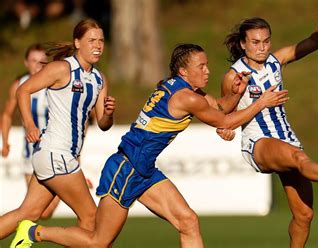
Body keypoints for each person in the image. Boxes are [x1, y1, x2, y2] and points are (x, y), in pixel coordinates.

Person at [10, 43, 288, 248]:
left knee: (188, 221)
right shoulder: (185, 98)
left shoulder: (187, 91)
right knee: (98, 242)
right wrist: (260, 102)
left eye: (206, 65)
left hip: (144, 170)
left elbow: (220, 107)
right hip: (126, 169)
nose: (208, 70)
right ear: (183, 71)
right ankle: (34, 232)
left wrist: (234, 93)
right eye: (201, 67)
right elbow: (224, 121)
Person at [219, 4, 318, 247]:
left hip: (286, 137)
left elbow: (314, 42)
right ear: (243, 44)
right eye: (255, 42)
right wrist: (224, 129)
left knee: (304, 215)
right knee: (299, 159)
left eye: (266, 41)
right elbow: (224, 113)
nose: (262, 47)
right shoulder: (233, 76)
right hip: (258, 142)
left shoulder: (276, 61)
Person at [2, 18, 115, 243]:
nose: (98, 45)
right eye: (92, 40)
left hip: (58, 157)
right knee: (92, 219)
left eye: (101, 40)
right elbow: (23, 91)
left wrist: (109, 114)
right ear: (77, 42)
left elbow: (103, 124)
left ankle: (29, 230)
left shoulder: (99, 79)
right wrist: (30, 124)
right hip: (55, 154)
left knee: (27, 214)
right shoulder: (62, 68)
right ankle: (34, 234)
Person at [1, 43, 61, 219]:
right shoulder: (19, 85)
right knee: (39, 212)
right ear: (26, 62)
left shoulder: (56, 84)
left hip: (55, 152)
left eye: (42, 61)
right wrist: (5, 142)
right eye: (34, 61)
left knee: (45, 210)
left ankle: (66, 189)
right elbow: (6, 115)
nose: (38, 65)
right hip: (30, 156)